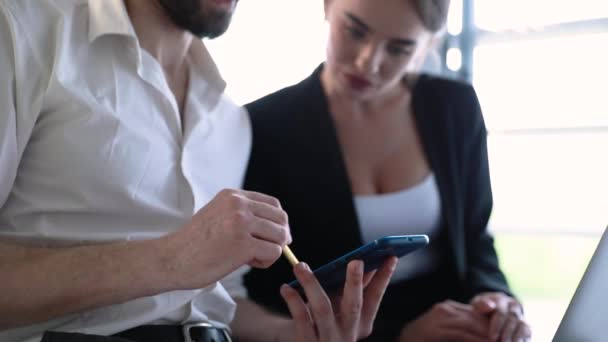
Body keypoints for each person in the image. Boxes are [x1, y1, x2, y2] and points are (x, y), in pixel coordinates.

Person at [0, 0, 397, 341]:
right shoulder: (23, 31)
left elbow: (219, 296)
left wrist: (292, 333)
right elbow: (183, 262)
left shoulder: (230, 121)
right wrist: (171, 259)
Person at [242, 0, 532, 341]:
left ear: (428, 46)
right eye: (354, 31)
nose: (369, 61)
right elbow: (264, 289)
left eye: (399, 48)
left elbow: (475, 240)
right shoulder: (264, 126)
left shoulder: (455, 107)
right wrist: (400, 336)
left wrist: (495, 300)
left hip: (456, 328)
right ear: (326, 7)